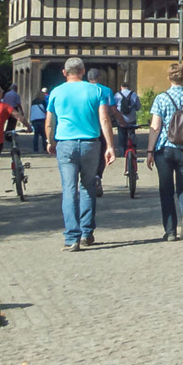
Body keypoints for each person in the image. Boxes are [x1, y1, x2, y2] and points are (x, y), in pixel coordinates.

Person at [49, 58, 116, 250]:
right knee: (88, 186)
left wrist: (49, 141)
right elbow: (104, 119)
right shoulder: (97, 91)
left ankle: (72, 237)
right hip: (90, 144)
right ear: (83, 71)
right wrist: (110, 146)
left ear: (64, 72)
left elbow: (49, 121)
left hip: (65, 144)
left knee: (69, 190)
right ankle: (87, 232)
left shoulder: (56, 92)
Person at [146, 62, 183, 242]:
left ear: (169, 78)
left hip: (165, 149)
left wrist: (149, 151)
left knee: (166, 190)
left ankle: (170, 231)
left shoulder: (161, 98)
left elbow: (155, 127)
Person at [111, 79, 141, 195]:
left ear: (121, 87)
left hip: (121, 121)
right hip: (132, 120)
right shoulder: (134, 95)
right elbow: (138, 107)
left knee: (121, 137)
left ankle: (123, 153)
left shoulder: (117, 95)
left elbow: (113, 108)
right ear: (129, 86)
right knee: (132, 135)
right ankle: (134, 151)